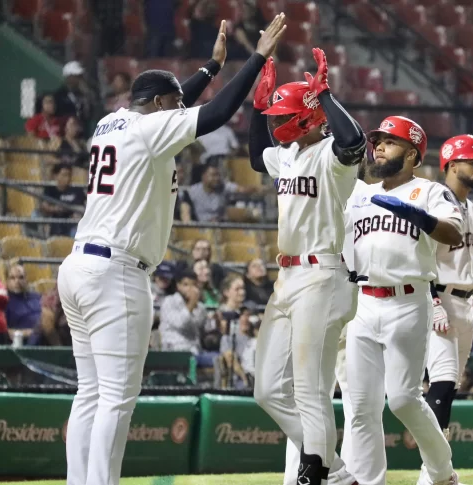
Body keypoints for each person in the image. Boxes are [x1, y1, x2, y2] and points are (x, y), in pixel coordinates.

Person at [56, 14, 286, 485]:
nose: (180, 110)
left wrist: (208, 69)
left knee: (90, 393)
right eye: (176, 104)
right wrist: (257, 55)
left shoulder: (111, 121)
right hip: (115, 273)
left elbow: (167, 96)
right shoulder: (149, 128)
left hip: (79, 265)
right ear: (160, 105)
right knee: (117, 398)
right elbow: (217, 113)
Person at [250, 48, 365, 485]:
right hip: (288, 278)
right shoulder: (291, 155)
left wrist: (327, 97)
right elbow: (255, 154)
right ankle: (333, 470)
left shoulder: (331, 158)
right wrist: (258, 108)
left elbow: (354, 143)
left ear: (308, 116)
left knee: (310, 390)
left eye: (284, 114)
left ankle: (316, 473)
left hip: (322, 274)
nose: (279, 122)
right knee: (267, 390)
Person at [343, 116, 464, 485]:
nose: (377, 146)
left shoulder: (429, 192)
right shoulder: (358, 191)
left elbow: (455, 232)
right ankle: (366, 481)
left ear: (412, 153)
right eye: (376, 141)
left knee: (403, 399)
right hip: (362, 302)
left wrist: (422, 220)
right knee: (361, 407)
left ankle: (443, 474)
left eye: (388, 142)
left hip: (408, 300)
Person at [416, 135, 473, 483]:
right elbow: (422, 256)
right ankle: (436, 475)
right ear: (452, 164)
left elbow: (468, 258)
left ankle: (432, 474)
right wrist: (432, 300)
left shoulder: (472, 210)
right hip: (439, 300)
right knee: (441, 388)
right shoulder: (436, 201)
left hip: (464, 304)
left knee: (450, 390)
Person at [187, 164, 261, 222]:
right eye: (213, 175)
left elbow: (242, 190)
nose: (217, 178)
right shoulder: (193, 191)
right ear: (203, 176)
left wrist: (257, 188)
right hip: (201, 228)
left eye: (218, 175)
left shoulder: (224, 187)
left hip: (221, 226)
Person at [158, 270, 207, 354]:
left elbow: (201, 327)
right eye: (186, 285)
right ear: (178, 286)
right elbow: (181, 323)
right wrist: (191, 303)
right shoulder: (169, 302)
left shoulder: (200, 307)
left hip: (195, 350)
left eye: (194, 285)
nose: (190, 289)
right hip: (173, 350)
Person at [40, 163, 87, 237]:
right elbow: (44, 206)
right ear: (55, 176)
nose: (67, 178)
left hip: (73, 223)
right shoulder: (50, 189)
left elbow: (82, 207)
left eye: (69, 175)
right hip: (55, 220)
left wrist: (77, 213)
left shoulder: (76, 190)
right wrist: (55, 209)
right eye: (64, 175)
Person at [5, 264, 42, 343]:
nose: (17, 281)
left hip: (46, 332)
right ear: (7, 281)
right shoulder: (4, 301)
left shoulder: (37, 297)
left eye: (21, 277)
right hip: (26, 339)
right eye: (12, 278)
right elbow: (2, 330)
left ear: (26, 280)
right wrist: (24, 333)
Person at [55, 61, 95, 130]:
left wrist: (87, 96)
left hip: (82, 131)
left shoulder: (83, 94)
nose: (80, 79)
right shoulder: (59, 95)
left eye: (80, 76)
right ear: (69, 77)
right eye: (77, 76)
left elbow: (88, 114)